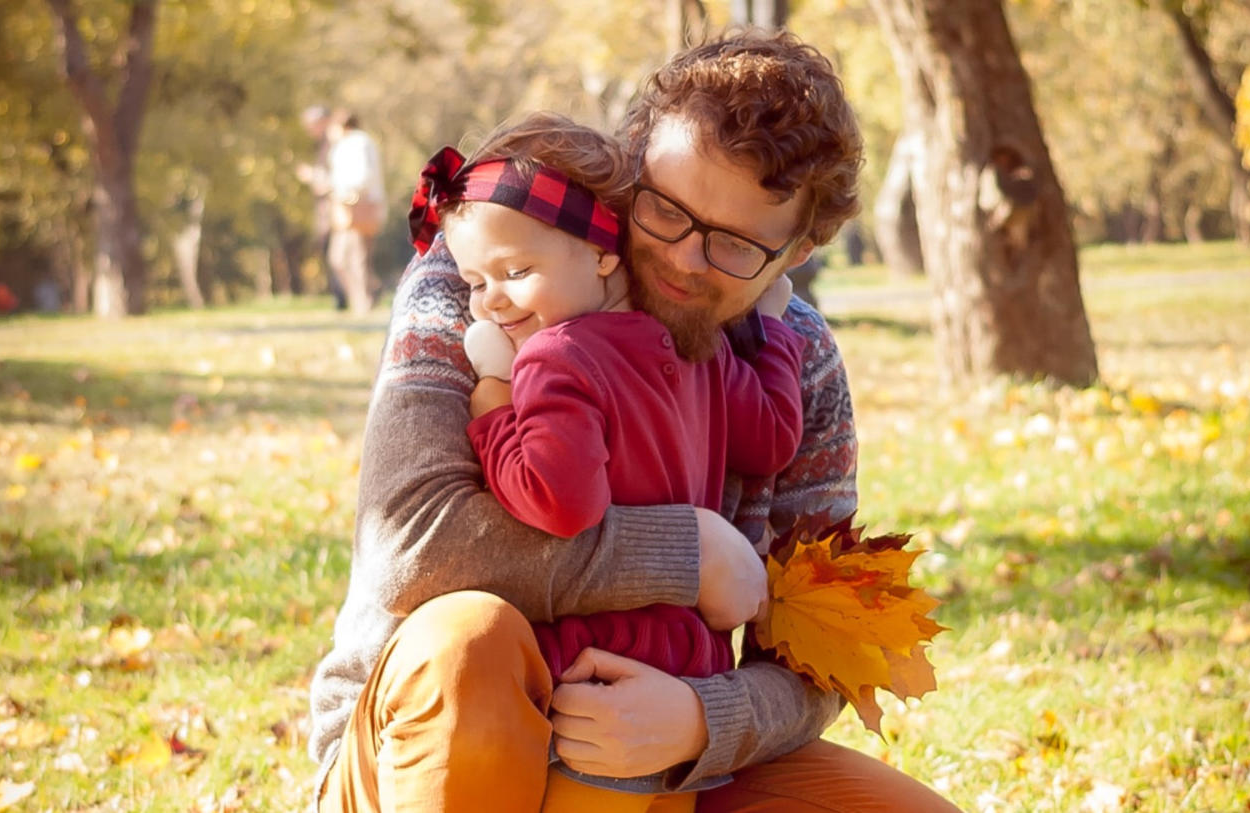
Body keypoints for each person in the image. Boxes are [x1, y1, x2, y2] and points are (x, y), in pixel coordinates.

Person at [309, 28, 961, 813]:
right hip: (438, 740)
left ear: (798, 252)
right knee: (468, 640)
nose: (686, 259)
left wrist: (699, 720)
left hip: (655, 761)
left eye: (735, 245)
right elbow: (409, 546)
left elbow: (820, 644)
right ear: (631, 165)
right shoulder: (487, 275)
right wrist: (686, 553)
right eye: (668, 211)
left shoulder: (794, 359)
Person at [416, 111, 806, 810]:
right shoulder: (700, 346)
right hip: (685, 673)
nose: (491, 301)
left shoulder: (554, 359)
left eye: (516, 271)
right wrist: (772, 333)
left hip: (599, 677)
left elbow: (560, 500)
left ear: (603, 253)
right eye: (474, 282)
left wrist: (494, 407)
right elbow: (774, 434)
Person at [326, 111, 387, 315]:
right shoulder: (342, 146)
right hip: (345, 209)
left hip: (359, 206)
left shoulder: (359, 143)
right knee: (340, 258)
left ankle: (364, 302)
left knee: (357, 258)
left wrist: (347, 192)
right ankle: (369, 294)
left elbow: (363, 176)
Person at [297, 105, 344, 309]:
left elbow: (339, 177)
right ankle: (342, 297)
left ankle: (345, 297)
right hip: (328, 208)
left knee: (339, 254)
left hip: (338, 207)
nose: (309, 131)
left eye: (311, 125)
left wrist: (312, 176)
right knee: (331, 251)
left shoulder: (335, 143)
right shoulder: (324, 145)